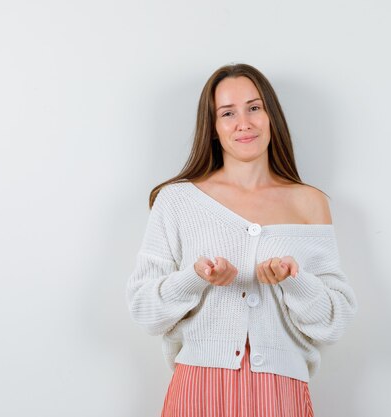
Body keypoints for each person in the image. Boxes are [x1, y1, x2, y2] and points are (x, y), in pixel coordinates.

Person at [126, 63, 357, 417]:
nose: (244, 123)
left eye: (254, 107)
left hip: (281, 393)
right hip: (199, 389)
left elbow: (334, 321)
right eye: (228, 113)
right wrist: (195, 277)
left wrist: (294, 281)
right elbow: (144, 309)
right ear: (214, 128)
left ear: (271, 116)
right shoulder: (178, 201)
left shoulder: (310, 202)